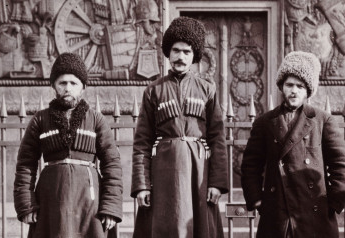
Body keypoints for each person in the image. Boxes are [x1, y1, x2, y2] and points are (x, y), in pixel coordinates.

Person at [131, 16, 228, 238]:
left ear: (194, 56)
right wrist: (142, 185)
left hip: (198, 173)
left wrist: (216, 183)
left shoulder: (207, 90)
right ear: (167, 53)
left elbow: (217, 139)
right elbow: (141, 143)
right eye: (175, 50)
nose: (180, 57)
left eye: (186, 52)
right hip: (165, 173)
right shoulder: (153, 91)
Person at [241, 51, 345, 238]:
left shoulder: (322, 120)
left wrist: (332, 204)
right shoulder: (265, 122)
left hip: (315, 215)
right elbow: (250, 166)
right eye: (289, 85)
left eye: (300, 86)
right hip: (277, 214)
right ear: (281, 86)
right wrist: (258, 201)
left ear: (308, 90)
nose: (294, 91)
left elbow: (341, 166)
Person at [13, 52, 123, 238]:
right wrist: (27, 204)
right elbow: (25, 164)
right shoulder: (40, 119)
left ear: (83, 87)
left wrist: (111, 207)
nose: (68, 88)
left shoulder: (96, 119)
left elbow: (112, 164)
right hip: (51, 199)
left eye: (74, 83)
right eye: (62, 83)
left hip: (89, 200)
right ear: (53, 86)